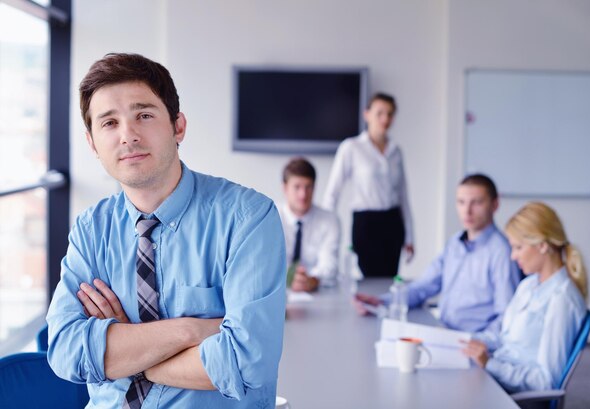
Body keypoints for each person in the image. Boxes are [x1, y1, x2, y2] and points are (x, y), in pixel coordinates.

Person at [45, 53, 286, 408]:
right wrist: (190, 331)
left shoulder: (247, 218)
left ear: (178, 127)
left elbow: (246, 362)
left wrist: (126, 349)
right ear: (93, 143)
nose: (128, 136)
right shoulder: (90, 229)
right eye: (109, 123)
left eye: (143, 115)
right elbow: (66, 352)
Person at [354, 174, 521, 343]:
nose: (467, 211)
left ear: (495, 204)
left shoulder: (502, 252)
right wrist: (383, 301)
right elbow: (424, 286)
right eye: (461, 202)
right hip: (445, 334)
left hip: (473, 344)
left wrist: (475, 342)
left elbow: (506, 317)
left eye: (477, 202)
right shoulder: (454, 243)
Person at [462, 202, 587, 394]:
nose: (512, 256)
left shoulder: (562, 300)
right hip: (497, 379)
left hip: (514, 394)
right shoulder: (528, 285)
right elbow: (505, 338)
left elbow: (546, 382)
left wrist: (490, 364)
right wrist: (466, 340)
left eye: (518, 247)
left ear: (543, 245)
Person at [322, 92, 414, 277]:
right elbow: (333, 192)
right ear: (367, 114)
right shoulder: (351, 148)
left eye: (389, 114)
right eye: (380, 113)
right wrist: (325, 232)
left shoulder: (396, 151)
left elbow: (403, 196)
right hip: (366, 224)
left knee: (389, 280)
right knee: (369, 280)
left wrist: (410, 236)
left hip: (392, 222)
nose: (385, 119)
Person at [279, 157, 341, 292]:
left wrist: (312, 280)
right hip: (278, 293)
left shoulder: (329, 220)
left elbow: (329, 265)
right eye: (297, 187)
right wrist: (288, 279)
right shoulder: (271, 218)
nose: (303, 194)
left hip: (318, 294)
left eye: (308, 187)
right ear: (285, 188)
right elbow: (267, 264)